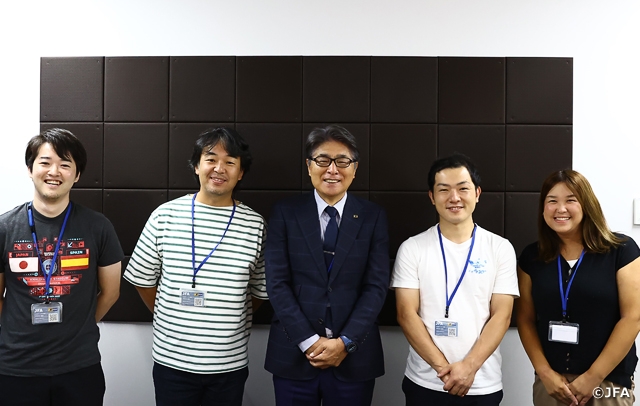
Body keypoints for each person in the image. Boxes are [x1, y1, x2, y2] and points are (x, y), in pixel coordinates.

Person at [124, 127, 267, 406]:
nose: (219, 168)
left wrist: (228, 319)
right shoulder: (164, 216)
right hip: (172, 362)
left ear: (241, 172)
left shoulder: (255, 225)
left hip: (229, 365)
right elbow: (143, 280)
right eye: (210, 159)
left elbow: (259, 291)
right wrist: (170, 315)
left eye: (230, 162)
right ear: (196, 166)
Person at [264, 125, 390, 406]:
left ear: (354, 168)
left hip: (354, 358)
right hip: (294, 355)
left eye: (342, 161)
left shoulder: (373, 217)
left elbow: (376, 287)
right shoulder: (285, 212)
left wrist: (345, 342)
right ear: (309, 166)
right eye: (323, 160)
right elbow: (277, 283)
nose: (332, 169)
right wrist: (308, 341)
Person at [0, 128, 123, 406]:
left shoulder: (98, 227)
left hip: (79, 366)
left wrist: (80, 325)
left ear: (76, 175)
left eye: (65, 164)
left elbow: (111, 292)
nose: (54, 172)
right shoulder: (4, 228)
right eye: (45, 162)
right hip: (15, 368)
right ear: (30, 169)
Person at [392, 153, 518, 405]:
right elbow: (406, 314)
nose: (454, 197)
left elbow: (502, 316)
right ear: (432, 196)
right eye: (444, 190)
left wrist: (468, 368)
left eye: (463, 188)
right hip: (425, 381)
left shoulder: (499, 248)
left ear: (477, 193)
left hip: (482, 384)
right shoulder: (412, 248)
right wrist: (444, 370)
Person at [517, 169, 640, 406]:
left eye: (570, 200)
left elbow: (633, 318)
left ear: (587, 205)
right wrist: (545, 373)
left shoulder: (622, 251)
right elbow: (525, 319)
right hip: (552, 385)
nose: (560, 209)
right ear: (543, 208)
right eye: (552, 201)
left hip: (608, 383)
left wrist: (593, 377)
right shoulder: (532, 257)